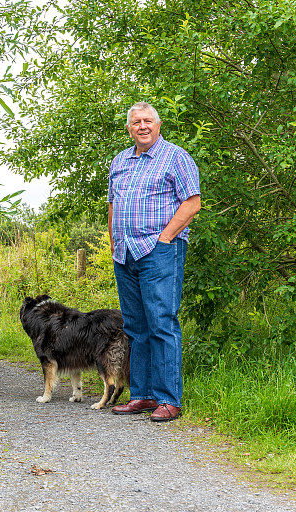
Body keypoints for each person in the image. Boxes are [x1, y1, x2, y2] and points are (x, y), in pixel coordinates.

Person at [108, 102, 201, 422]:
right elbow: (113, 206)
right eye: (136, 122)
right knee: (136, 327)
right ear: (130, 127)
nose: (142, 126)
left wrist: (165, 238)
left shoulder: (176, 157)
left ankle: (168, 399)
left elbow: (193, 202)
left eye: (148, 121)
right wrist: (113, 241)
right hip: (125, 253)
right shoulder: (119, 161)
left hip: (160, 251)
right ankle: (143, 395)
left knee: (161, 323)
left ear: (158, 125)